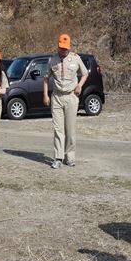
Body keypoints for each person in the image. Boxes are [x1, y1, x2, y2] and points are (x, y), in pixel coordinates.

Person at [44, 33, 89, 170]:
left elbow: (85, 73)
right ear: (58, 47)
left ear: (69, 47)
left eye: (65, 48)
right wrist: (45, 95)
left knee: (70, 129)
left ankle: (70, 157)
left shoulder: (75, 59)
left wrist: (80, 85)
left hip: (71, 97)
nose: (63, 50)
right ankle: (58, 158)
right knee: (58, 129)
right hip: (57, 97)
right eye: (61, 48)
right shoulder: (52, 60)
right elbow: (46, 78)